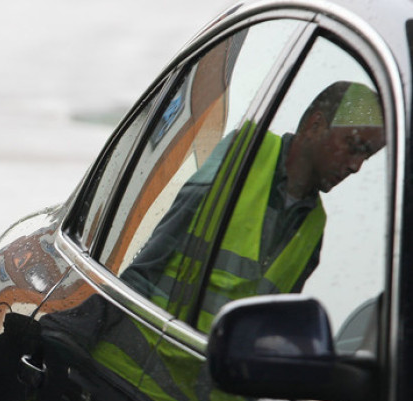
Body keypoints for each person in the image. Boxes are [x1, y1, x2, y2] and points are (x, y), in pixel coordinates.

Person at [125, 80, 386, 330]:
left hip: (206, 373)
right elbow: (149, 263)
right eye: (353, 146)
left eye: (367, 156)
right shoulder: (242, 157)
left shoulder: (313, 227)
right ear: (315, 125)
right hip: (132, 363)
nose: (356, 166)